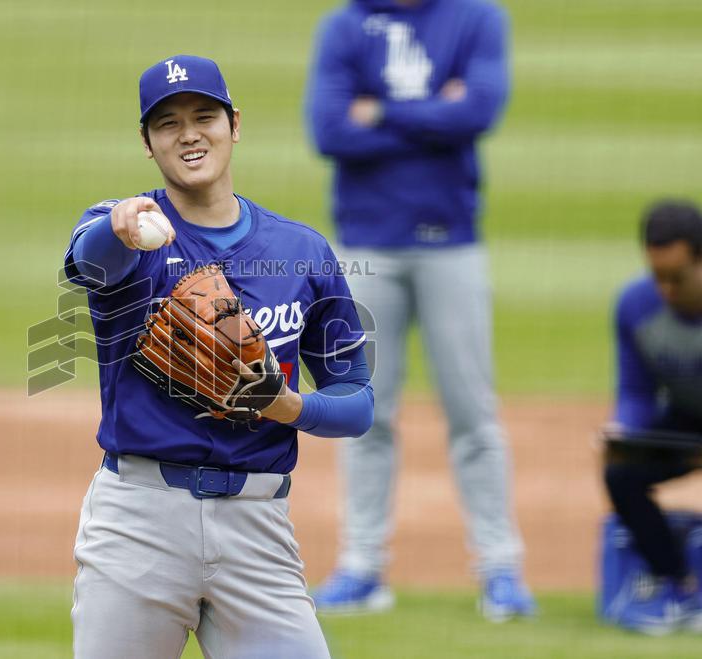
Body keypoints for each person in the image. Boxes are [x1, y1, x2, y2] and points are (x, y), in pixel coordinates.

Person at [64, 54, 374, 658]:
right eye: (167, 123)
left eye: (204, 116)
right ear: (147, 144)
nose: (188, 134)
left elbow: (357, 401)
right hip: (138, 523)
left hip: (257, 528)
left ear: (234, 124)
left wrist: (289, 406)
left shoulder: (303, 251)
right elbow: (87, 260)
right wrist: (121, 225)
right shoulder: (125, 230)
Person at [305, 0, 536, 621]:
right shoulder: (346, 25)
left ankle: (500, 568)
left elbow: (479, 111)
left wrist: (378, 110)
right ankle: (361, 567)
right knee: (364, 409)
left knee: (472, 411)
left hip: (451, 244)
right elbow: (328, 130)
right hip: (366, 244)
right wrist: (438, 113)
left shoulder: (476, 18)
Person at [603, 200, 702, 635]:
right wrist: (622, 430)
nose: (666, 290)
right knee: (621, 472)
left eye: (677, 278)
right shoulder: (635, 306)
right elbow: (637, 392)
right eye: (657, 276)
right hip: (687, 421)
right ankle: (679, 583)